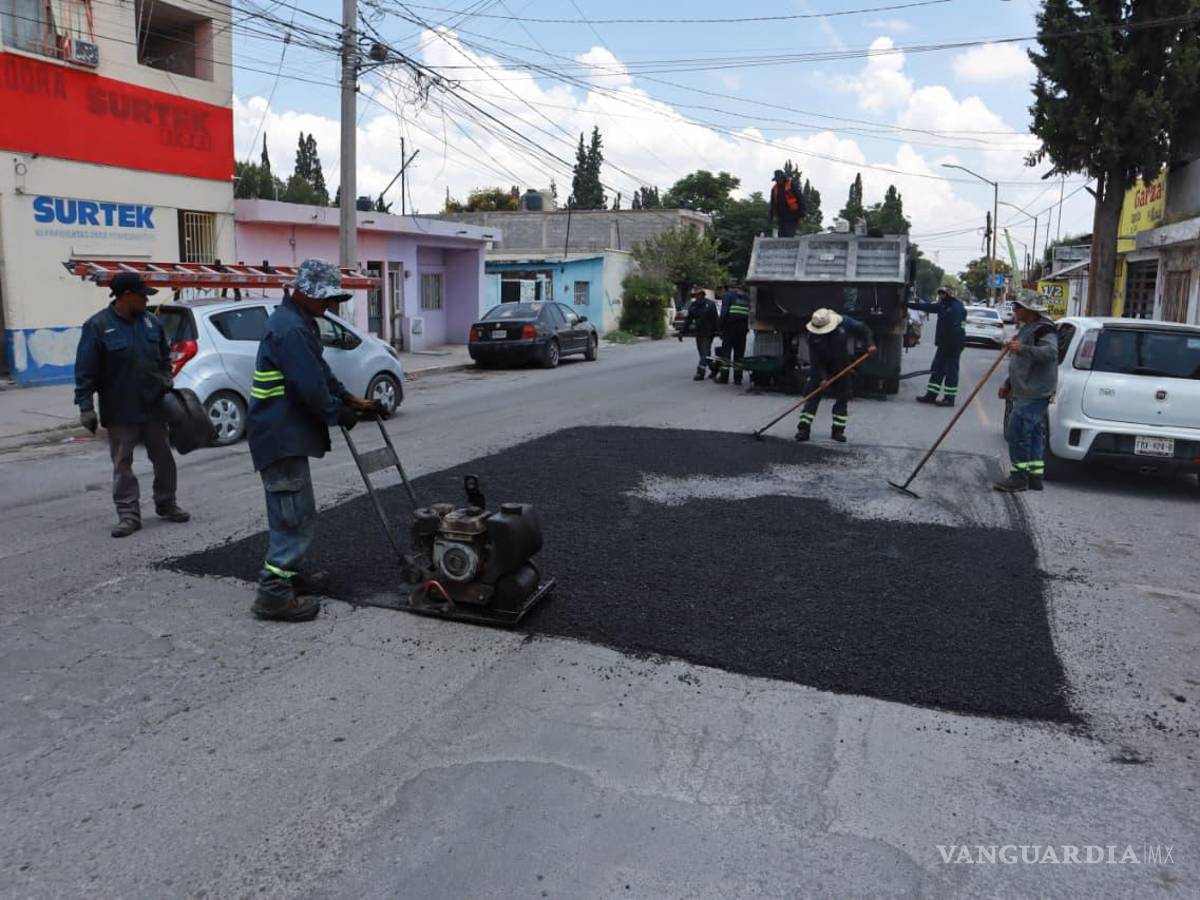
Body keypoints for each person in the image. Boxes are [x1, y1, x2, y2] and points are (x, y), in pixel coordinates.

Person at [246, 259, 381, 622]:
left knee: (299, 510)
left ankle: (294, 575)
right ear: (302, 291)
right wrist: (338, 413)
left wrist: (349, 398)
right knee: (292, 516)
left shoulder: (299, 323)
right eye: (324, 298)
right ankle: (273, 594)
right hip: (279, 434)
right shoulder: (289, 330)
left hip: (286, 432)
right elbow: (308, 387)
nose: (329, 305)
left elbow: (318, 371)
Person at [74, 272, 190, 538]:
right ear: (126, 296)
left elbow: (164, 357)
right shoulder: (97, 326)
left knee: (164, 459)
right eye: (142, 295)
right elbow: (85, 370)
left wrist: (166, 378)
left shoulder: (151, 323)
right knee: (122, 463)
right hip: (120, 409)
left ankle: (167, 503)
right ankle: (128, 515)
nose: (145, 300)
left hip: (153, 406)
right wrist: (85, 406)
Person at [994, 298, 1058, 493]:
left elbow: (1050, 353)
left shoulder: (1044, 330)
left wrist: (1022, 348)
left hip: (1035, 391)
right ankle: (1034, 477)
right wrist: (1008, 383)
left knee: (1018, 432)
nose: (1014, 310)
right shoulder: (1027, 328)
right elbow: (1021, 364)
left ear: (1029, 310)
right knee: (1035, 433)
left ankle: (1019, 478)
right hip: (1024, 389)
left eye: (1017, 307)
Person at [795, 308, 876, 443]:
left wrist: (870, 344)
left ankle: (838, 431)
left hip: (841, 365)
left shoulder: (844, 322)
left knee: (843, 397)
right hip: (821, 367)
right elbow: (816, 362)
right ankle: (803, 429)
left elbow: (864, 329)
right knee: (813, 396)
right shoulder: (813, 337)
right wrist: (823, 378)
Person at [908, 286, 967, 407]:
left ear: (950, 294)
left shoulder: (957, 307)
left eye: (943, 293)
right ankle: (931, 395)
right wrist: (908, 304)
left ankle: (949, 398)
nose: (941, 296)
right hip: (944, 344)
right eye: (940, 293)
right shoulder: (943, 305)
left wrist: (953, 343)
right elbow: (927, 307)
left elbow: (957, 328)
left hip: (953, 345)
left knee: (951, 371)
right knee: (937, 369)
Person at [678, 287, 719, 381]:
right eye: (695, 295)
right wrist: (682, 332)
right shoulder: (693, 306)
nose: (696, 297)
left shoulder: (710, 304)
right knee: (704, 354)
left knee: (704, 352)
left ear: (702, 295)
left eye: (698, 295)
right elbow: (688, 320)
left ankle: (700, 372)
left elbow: (716, 319)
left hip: (709, 333)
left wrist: (718, 331)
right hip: (699, 333)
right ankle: (715, 368)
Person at [715, 284, 751, 385]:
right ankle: (738, 378)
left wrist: (720, 329)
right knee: (739, 354)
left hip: (730, 328)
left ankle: (724, 377)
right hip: (742, 329)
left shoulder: (728, 296)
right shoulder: (747, 298)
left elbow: (724, 313)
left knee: (726, 353)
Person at [768, 169, 806, 237]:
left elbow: (800, 199)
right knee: (781, 236)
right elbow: (772, 204)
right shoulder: (774, 189)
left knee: (789, 235)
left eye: (779, 179)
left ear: (783, 178)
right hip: (781, 217)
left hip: (792, 215)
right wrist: (770, 217)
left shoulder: (791, 185)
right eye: (777, 179)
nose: (778, 181)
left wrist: (802, 215)